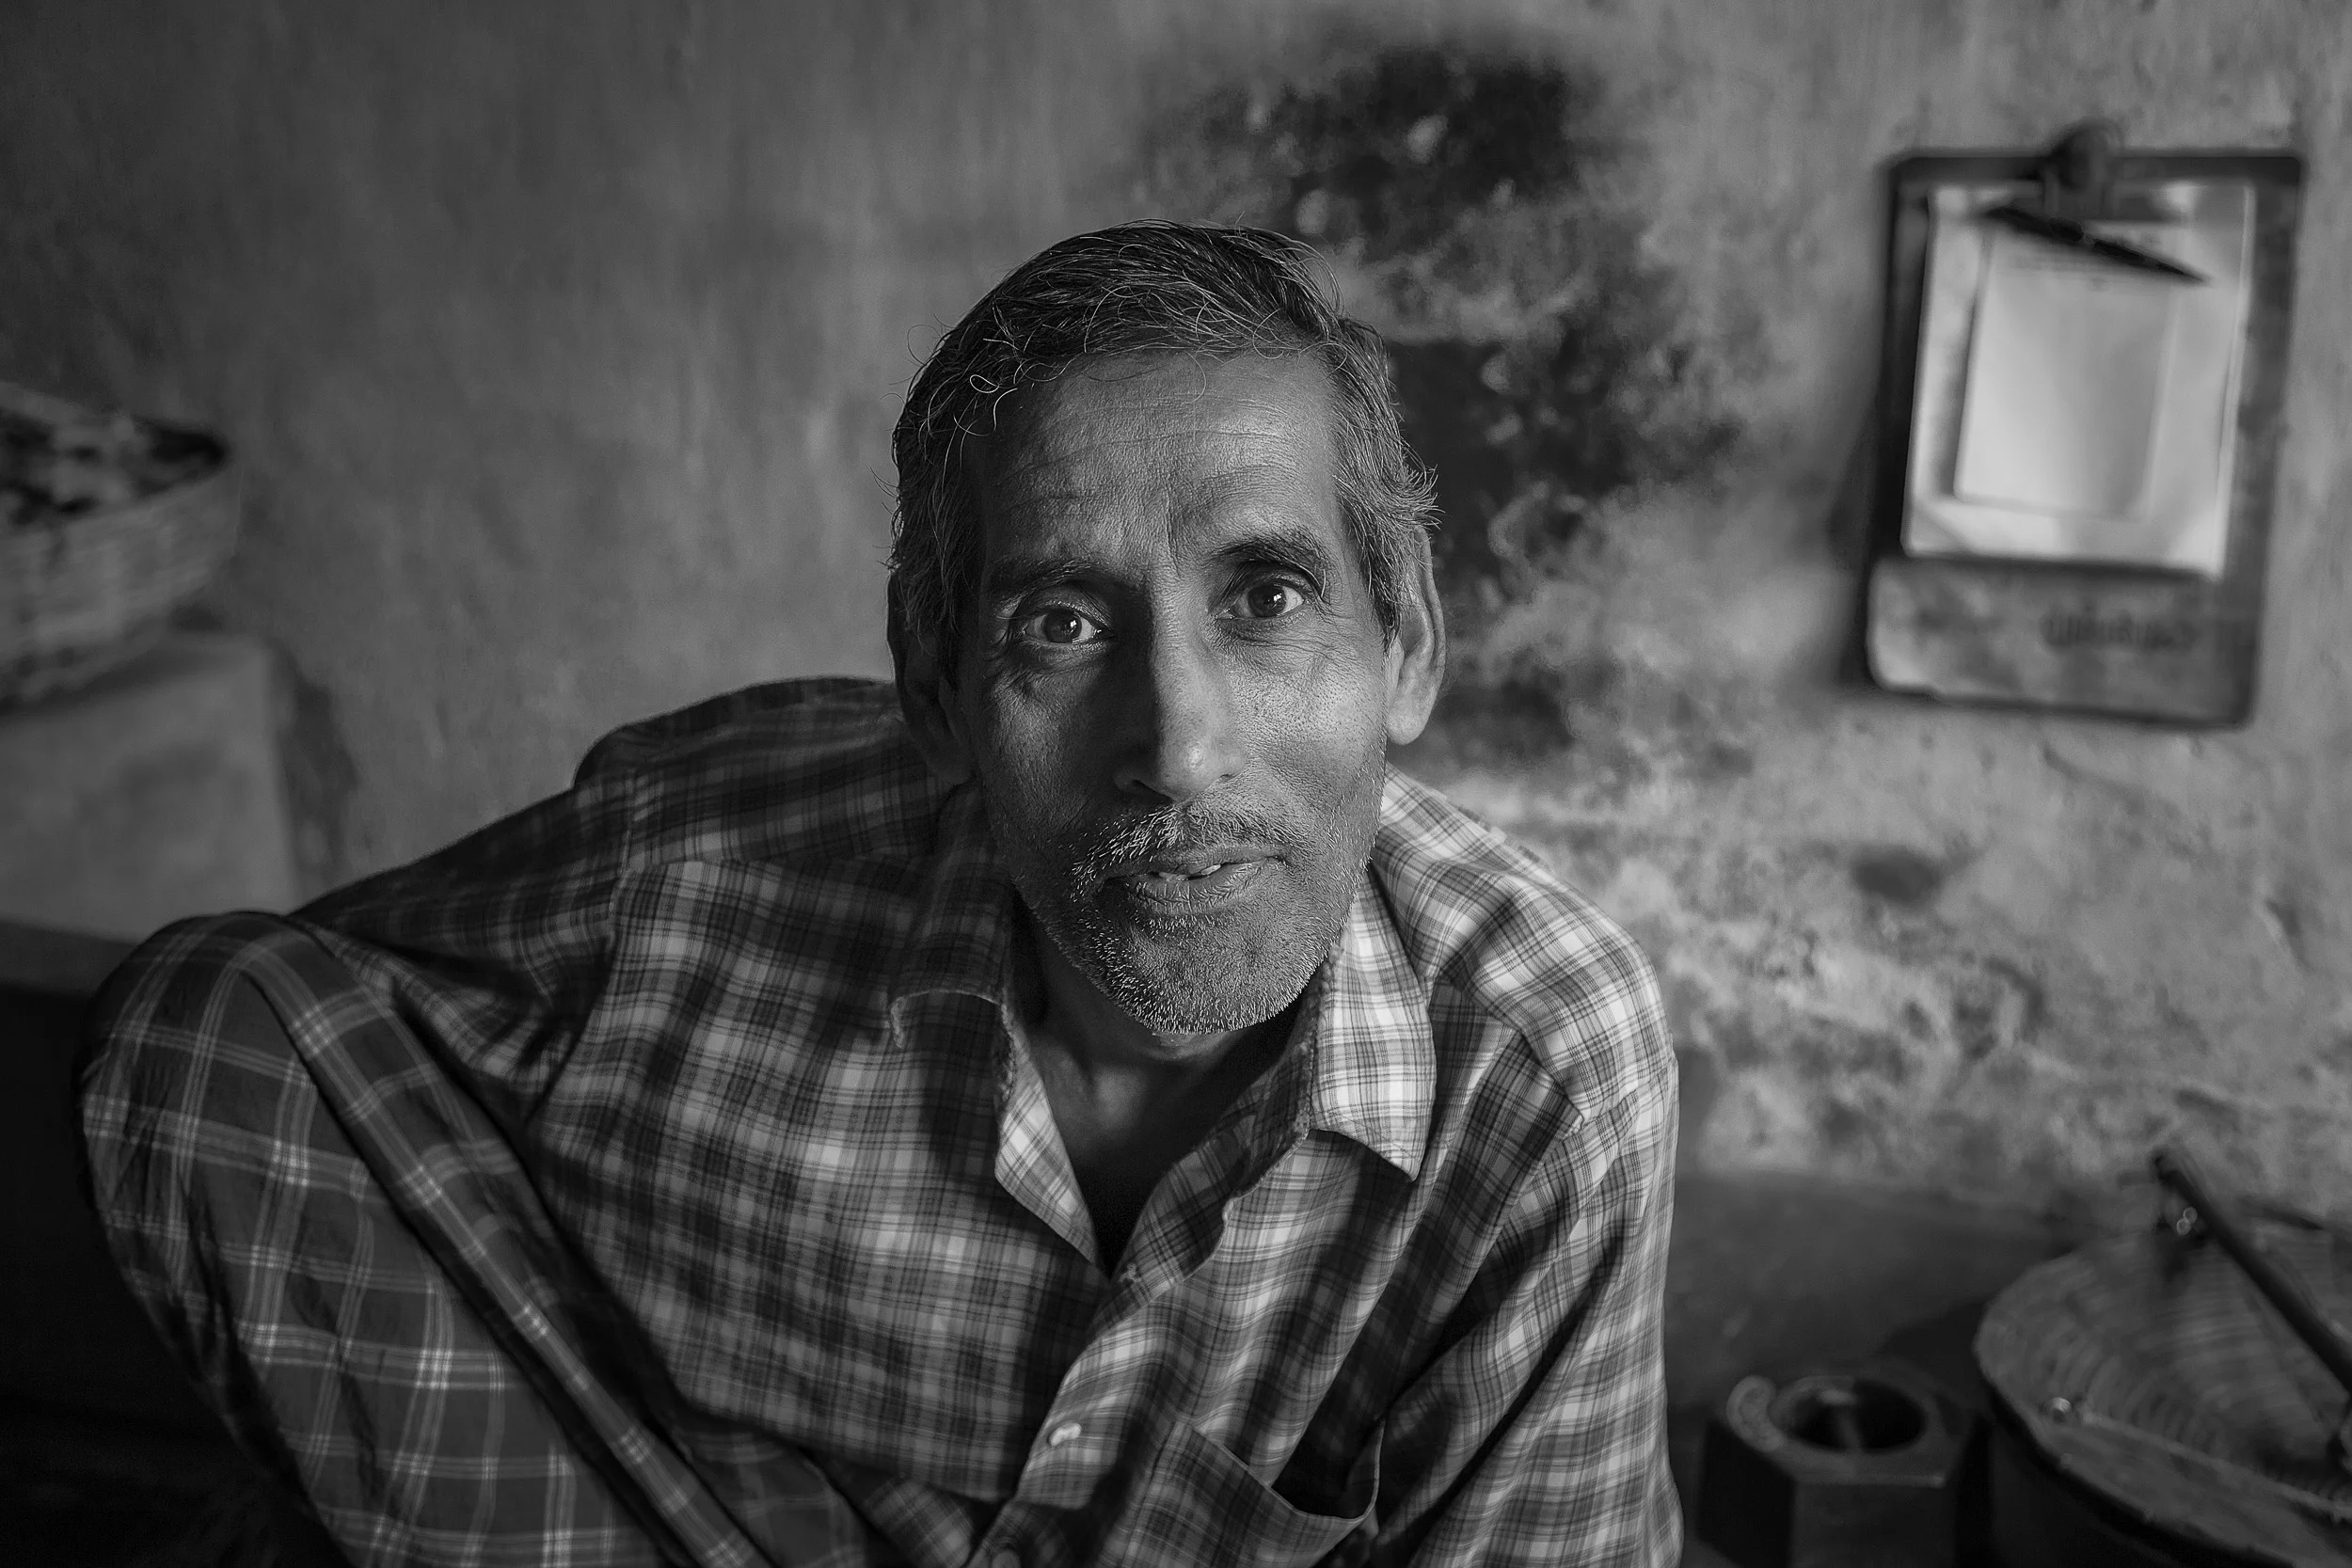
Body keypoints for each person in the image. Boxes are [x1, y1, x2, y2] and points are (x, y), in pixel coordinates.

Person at [76, 221, 1680, 1567]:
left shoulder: (1544, 1074)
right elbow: (271, 1025)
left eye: (1265, 598)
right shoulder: (703, 853)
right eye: (1062, 624)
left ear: (1404, 653)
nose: (1178, 749)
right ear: (934, 688)